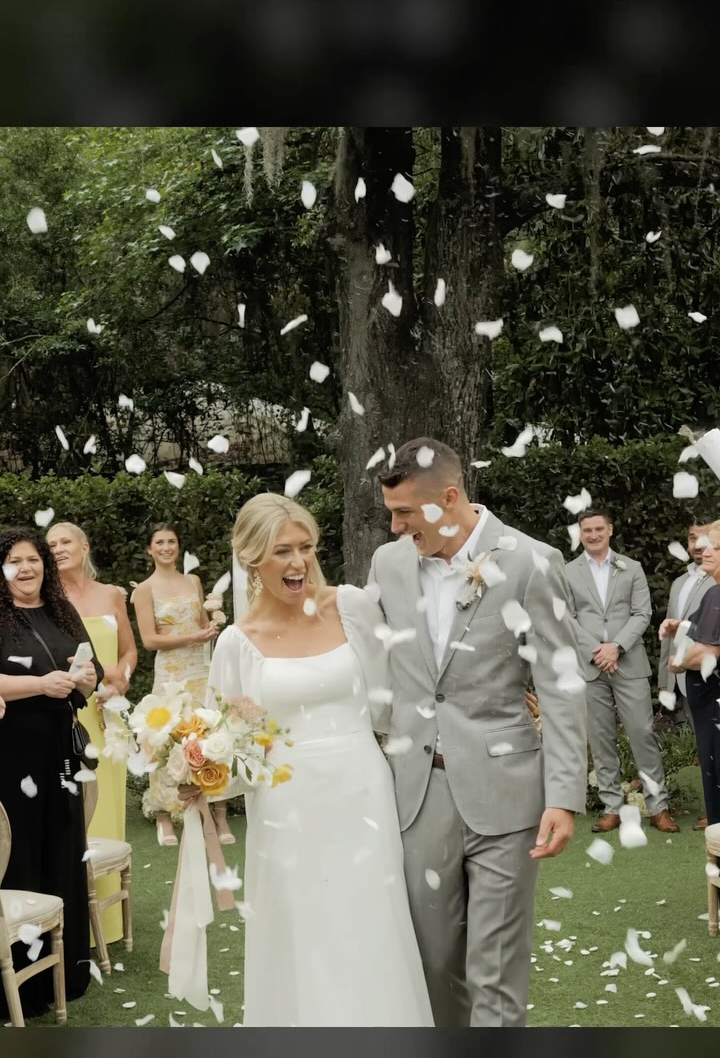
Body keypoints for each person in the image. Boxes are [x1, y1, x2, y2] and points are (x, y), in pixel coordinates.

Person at [370, 438, 587, 1028]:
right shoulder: (388, 565)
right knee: (435, 961)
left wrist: (564, 795)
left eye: (405, 513)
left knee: (494, 967)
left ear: (448, 497)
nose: (395, 526)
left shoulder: (530, 560)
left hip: (507, 792)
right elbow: (364, 655)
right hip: (418, 793)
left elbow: (562, 684)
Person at [205, 492, 434, 1026]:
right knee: (301, 928)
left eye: (305, 547)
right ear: (251, 558)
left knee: (370, 921)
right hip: (286, 805)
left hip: (361, 789)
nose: (299, 562)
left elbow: (406, 687)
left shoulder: (349, 606)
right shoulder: (235, 644)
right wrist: (200, 771)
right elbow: (224, 751)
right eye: (282, 550)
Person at [0, 526, 103, 1019]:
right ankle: (20, 984)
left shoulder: (61, 609)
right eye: (14, 561)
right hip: (11, 756)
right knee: (21, 856)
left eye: (32, 559)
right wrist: (40, 683)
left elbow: (94, 668)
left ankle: (66, 971)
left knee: (62, 849)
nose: (25, 568)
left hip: (60, 752)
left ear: (45, 563)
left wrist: (86, 677)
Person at [47, 521, 137, 942]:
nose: (58, 548)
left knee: (109, 807)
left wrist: (120, 679)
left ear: (84, 545)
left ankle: (112, 922)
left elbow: (129, 650)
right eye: (51, 544)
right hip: (70, 714)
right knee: (80, 810)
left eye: (65, 541)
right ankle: (79, 919)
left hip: (109, 717)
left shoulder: (113, 594)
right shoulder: (46, 599)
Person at [565, 508, 678, 833]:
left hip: (628, 662)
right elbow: (568, 618)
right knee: (600, 739)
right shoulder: (569, 572)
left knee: (642, 733)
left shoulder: (632, 568)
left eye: (599, 529)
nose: (593, 535)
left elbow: (642, 613)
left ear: (610, 530)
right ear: (580, 533)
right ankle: (612, 806)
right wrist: (596, 651)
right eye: (587, 530)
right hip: (590, 666)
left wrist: (616, 647)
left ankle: (658, 806)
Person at [131, 523, 222, 846]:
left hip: (200, 667)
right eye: (160, 542)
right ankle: (164, 814)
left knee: (202, 736)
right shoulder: (144, 589)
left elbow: (199, 624)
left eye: (171, 541)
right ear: (149, 549)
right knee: (167, 738)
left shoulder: (193, 581)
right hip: (170, 671)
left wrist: (210, 626)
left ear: (178, 546)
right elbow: (150, 640)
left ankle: (206, 808)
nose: (167, 547)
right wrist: (193, 636)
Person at [657, 517, 716, 829]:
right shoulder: (679, 583)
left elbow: (711, 640)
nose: (699, 547)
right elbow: (672, 634)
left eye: (707, 542)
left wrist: (685, 660)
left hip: (710, 681)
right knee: (704, 748)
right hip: (685, 680)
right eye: (693, 539)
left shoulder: (716, 584)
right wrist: (666, 683)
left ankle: (715, 812)